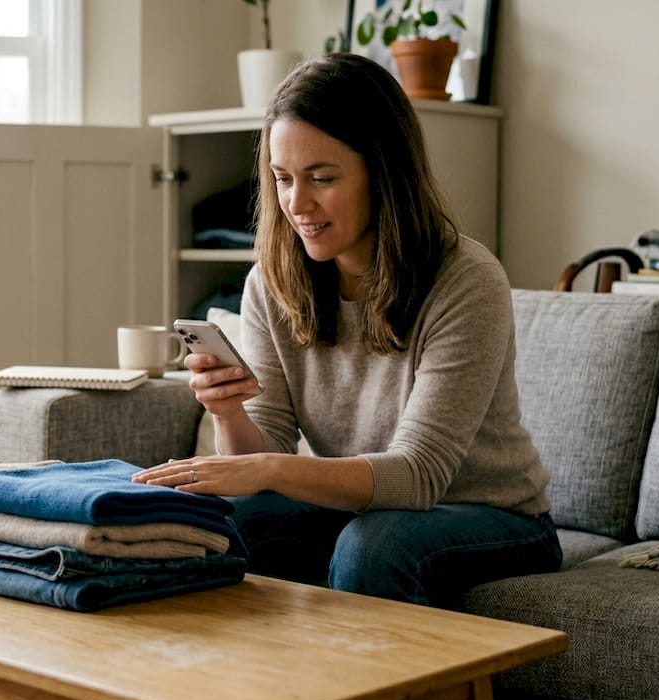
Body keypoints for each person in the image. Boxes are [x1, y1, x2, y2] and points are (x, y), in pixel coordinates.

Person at [132, 53, 562, 608]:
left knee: (374, 546)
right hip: (364, 510)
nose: (297, 203)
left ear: (383, 173)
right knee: (226, 520)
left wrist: (269, 467)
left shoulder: (465, 280)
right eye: (283, 179)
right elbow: (262, 452)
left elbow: (418, 476)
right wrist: (228, 411)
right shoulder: (272, 281)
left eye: (323, 178)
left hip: (494, 517)